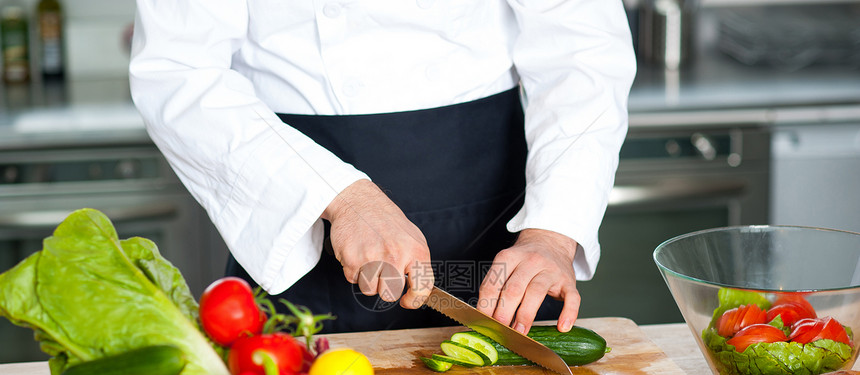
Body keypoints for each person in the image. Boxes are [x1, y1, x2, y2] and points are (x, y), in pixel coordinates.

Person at [129, 1, 636, 335]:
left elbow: (583, 53)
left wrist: (551, 234)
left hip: (498, 221)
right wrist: (344, 198)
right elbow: (178, 75)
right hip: (296, 204)